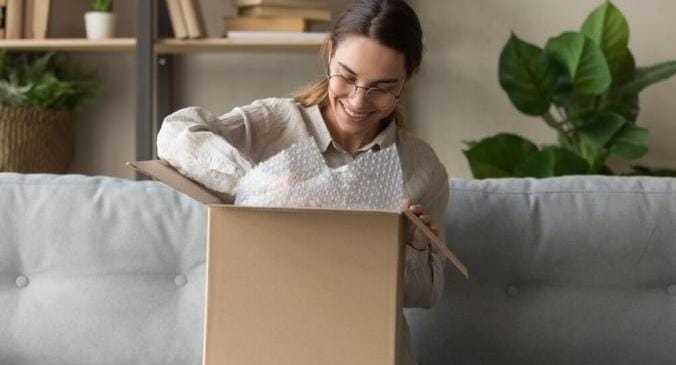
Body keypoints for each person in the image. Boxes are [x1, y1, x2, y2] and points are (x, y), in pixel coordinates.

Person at [156, 0, 449, 363]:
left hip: (368, 348)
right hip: (268, 342)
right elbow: (175, 134)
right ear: (329, 55)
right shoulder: (274, 123)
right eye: (347, 77)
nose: (359, 101)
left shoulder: (422, 168)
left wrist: (417, 247)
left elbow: (423, 297)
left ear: (409, 77)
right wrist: (260, 184)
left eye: (382, 88)